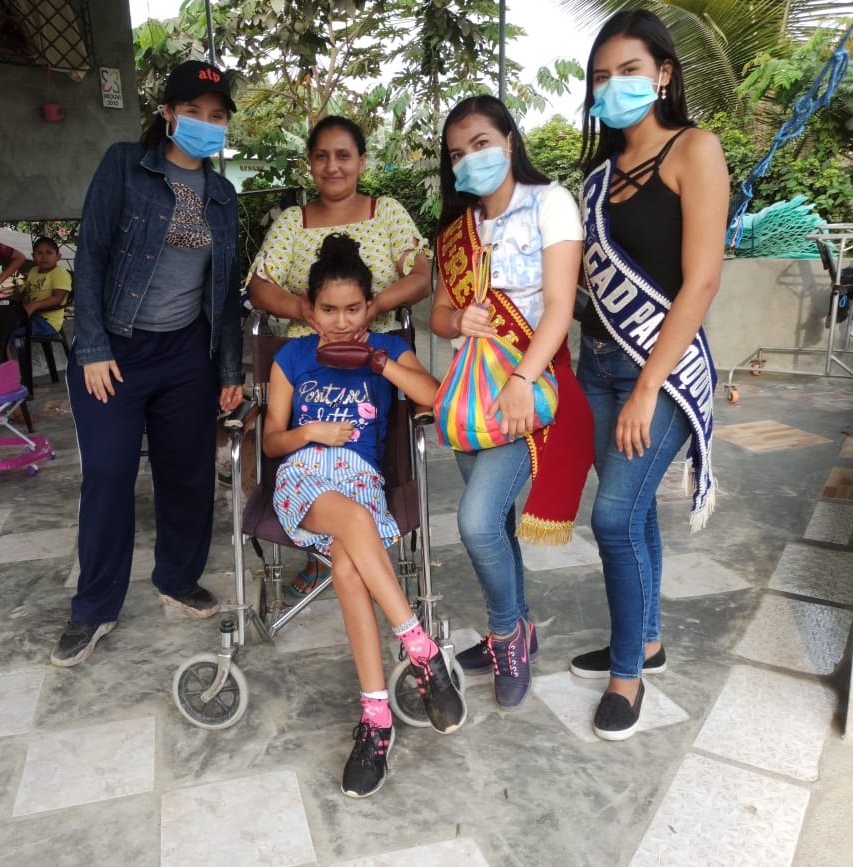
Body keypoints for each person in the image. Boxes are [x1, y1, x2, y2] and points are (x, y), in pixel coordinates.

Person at [49, 59, 244, 667]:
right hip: (116, 349)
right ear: (168, 114)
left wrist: (230, 372)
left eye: (217, 115)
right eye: (193, 111)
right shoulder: (124, 167)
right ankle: (94, 607)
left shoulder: (223, 196)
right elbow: (91, 256)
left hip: (187, 352)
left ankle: (177, 579)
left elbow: (226, 292)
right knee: (109, 475)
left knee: (187, 473)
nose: (205, 123)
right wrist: (93, 346)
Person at [569, 9, 728, 740]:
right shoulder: (596, 178)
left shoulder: (695, 150)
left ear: (663, 74)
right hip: (595, 362)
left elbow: (701, 282)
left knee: (612, 519)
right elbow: (585, 283)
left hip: (655, 371)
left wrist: (645, 387)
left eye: (629, 70)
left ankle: (627, 674)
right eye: (601, 76)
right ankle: (648, 640)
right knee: (632, 513)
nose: (614, 86)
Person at [265, 232, 465, 798]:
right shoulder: (292, 357)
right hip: (304, 478)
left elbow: (433, 396)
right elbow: (273, 441)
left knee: (350, 568)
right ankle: (421, 651)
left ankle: (376, 721)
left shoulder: (384, 349)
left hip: (361, 479)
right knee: (353, 523)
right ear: (310, 310)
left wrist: (379, 359)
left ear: (369, 306)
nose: (341, 321)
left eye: (353, 308)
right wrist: (310, 431)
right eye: (328, 309)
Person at [429, 95, 594, 711]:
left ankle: (505, 638)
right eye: (456, 154)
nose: (469, 160)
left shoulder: (550, 203)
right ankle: (519, 628)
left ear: (508, 140)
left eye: (479, 144)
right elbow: (439, 315)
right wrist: (458, 321)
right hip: (472, 396)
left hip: (528, 390)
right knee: (494, 523)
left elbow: (559, 304)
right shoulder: (457, 232)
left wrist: (523, 377)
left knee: (475, 521)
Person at [248, 115, 432, 596]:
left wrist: (374, 308)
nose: (333, 166)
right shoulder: (293, 222)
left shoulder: (386, 213)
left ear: (362, 161)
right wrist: (306, 312)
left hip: (377, 356)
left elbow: (420, 276)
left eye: (344, 155)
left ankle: (346, 543)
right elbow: (260, 286)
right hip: (306, 358)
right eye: (322, 156)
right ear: (310, 163)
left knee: (372, 451)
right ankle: (327, 548)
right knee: (312, 454)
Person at [18, 236, 72, 340]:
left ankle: (9, 351)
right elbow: (23, 295)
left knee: (7, 331)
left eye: (49, 253)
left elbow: (57, 299)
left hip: (47, 322)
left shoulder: (60, 273)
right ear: (33, 256)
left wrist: (33, 306)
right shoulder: (33, 271)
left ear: (58, 256)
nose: (44, 257)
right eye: (39, 253)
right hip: (30, 316)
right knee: (1, 324)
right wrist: (1, 300)